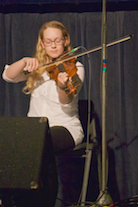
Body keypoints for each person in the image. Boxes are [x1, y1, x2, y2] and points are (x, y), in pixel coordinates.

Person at [2, 20, 85, 207]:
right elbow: (8, 75)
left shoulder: (75, 68)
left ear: (65, 40)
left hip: (65, 128)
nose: (53, 45)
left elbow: (66, 100)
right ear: (42, 43)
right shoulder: (36, 68)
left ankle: (42, 202)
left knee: (41, 145)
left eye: (57, 40)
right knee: (12, 142)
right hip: (34, 130)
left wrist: (62, 86)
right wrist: (24, 61)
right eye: (48, 41)